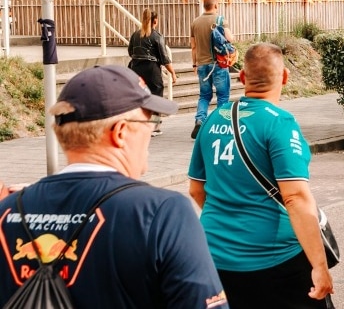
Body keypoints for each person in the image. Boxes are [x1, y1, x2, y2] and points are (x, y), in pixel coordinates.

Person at [0, 66, 226, 308]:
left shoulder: (8, 209)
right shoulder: (162, 212)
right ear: (120, 132)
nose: (151, 130)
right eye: (149, 120)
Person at [188, 43, 332, 307]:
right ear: (285, 77)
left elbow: (196, 190)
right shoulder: (279, 122)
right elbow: (296, 198)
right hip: (274, 259)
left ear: (242, 78)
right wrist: (319, 265)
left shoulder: (213, 118)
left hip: (215, 257)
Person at [190, 0, 233, 139]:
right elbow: (229, 38)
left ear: (204, 6)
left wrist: (195, 63)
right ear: (215, 6)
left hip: (202, 65)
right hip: (218, 64)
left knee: (204, 96)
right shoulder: (220, 20)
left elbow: (193, 46)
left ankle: (200, 120)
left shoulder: (195, 22)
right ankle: (220, 124)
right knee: (223, 96)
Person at [128, 8, 176, 98]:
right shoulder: (157, 36)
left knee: (138, 95)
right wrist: (172, 72)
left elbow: (130, 52)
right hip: (152, 69)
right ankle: (154, 112)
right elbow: (164, 58)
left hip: (136, 67)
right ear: (155, 21)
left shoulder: (135, 35)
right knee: (156, 95)